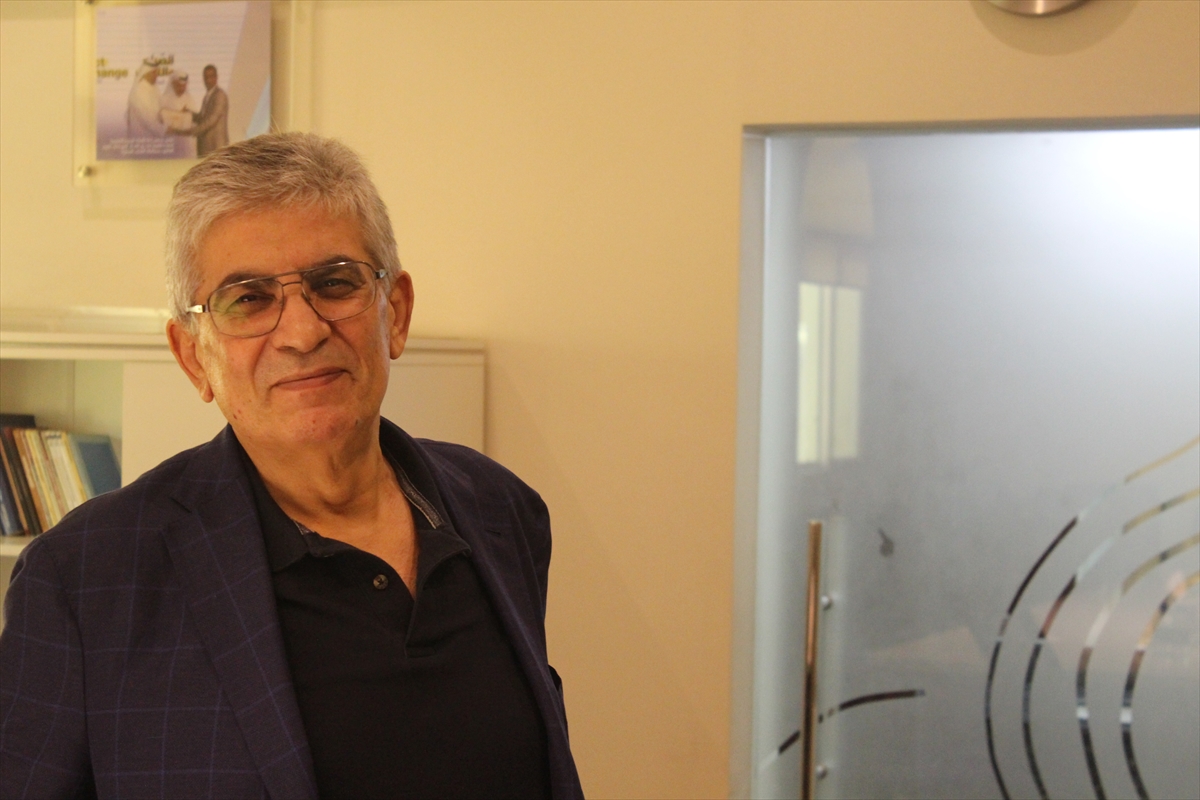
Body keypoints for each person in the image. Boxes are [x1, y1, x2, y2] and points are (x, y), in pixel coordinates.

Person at [0, 133, 584, 800]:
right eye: (248, 299)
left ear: (394, 313)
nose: (303, 332)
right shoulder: (86, 580)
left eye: (334, 283)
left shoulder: (500, 510)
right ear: (194, 356)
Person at [191, 64, 229, 156]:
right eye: (206, 77)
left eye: (211, 76)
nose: (208, 80)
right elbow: (202, 118)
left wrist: (195, 130)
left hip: (216, 147)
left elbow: (212, 119)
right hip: (205, 147)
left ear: (216, 77)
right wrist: (189, 115)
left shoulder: (220, 95)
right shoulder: (207, 96)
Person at [161, 71, 199, 158]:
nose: (181, 89)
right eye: (179, 86)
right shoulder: (165, 99)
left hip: (186, 143)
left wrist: (188, 115)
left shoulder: (189, 99)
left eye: (184, 86)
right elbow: (160, 121)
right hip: (171, 142)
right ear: (173, 84)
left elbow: (195, 122)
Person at [126, 61, 166, 138]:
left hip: (154, 138)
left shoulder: (154, 87)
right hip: (141, 139)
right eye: (153, 72)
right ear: (145, 73)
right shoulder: (138, 91)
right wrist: (168, 131)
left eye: (157, 72)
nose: (156, 75)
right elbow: (150, 122)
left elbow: (161, 110)